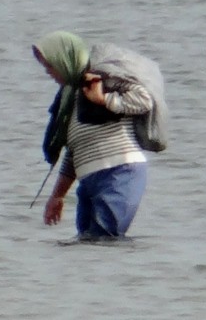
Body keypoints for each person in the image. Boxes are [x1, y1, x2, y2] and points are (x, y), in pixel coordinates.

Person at [32, 31, 168, 240]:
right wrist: (57, 196)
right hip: (89, 181)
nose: (48, 72)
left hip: (120, 172)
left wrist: (103, 99)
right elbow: (75, 151)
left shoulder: (103, 78)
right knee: (86, 242)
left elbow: (144, 100)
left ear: (64, 59)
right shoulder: (70, 97)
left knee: (104, 239)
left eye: (50, 65)